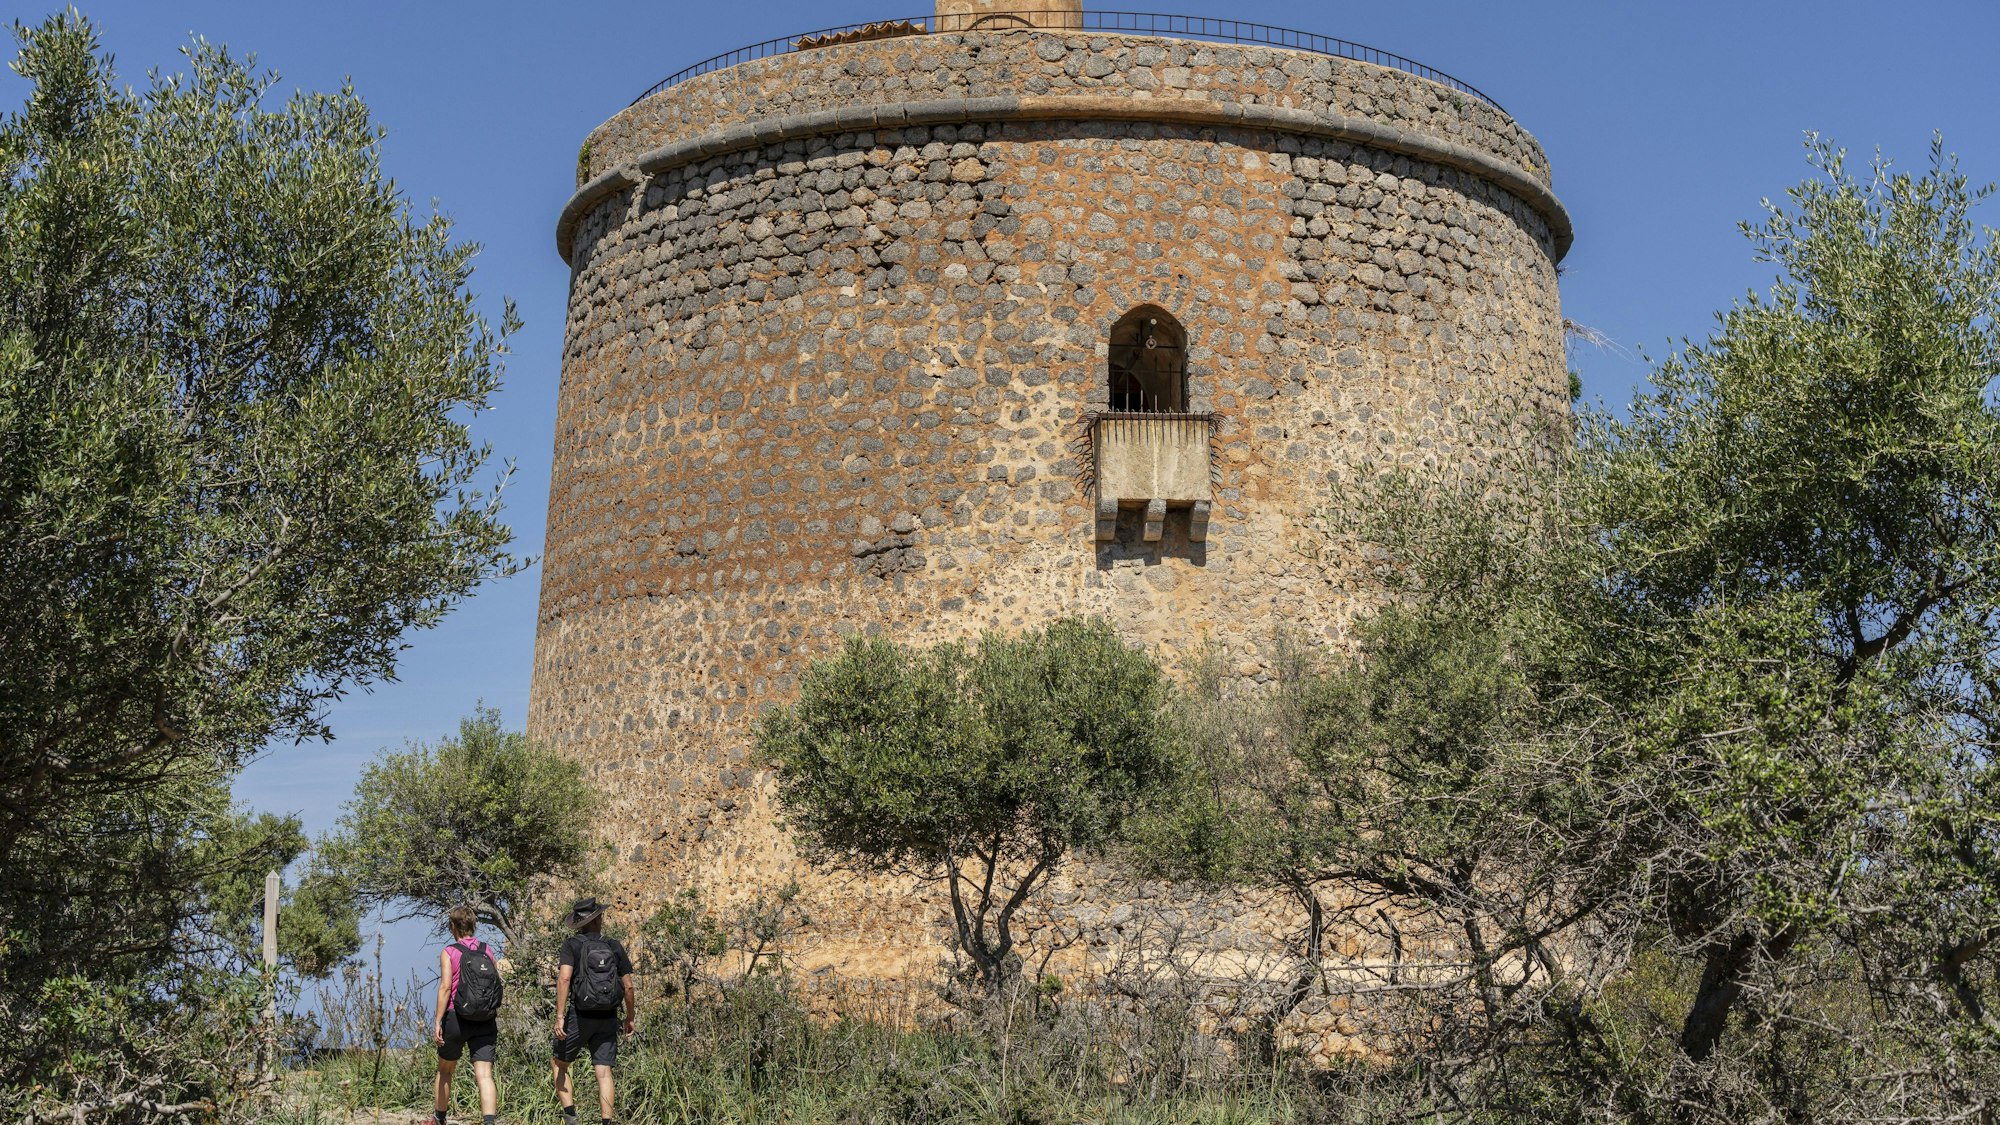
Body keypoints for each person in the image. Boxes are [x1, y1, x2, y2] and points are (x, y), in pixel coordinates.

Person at [551, 896, 635, 1125]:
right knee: (604, 1072)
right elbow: (628, 985)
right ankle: (606, 1122)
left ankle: (571, 1117)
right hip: (608, 1016)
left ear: (579, 923)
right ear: (598, 919)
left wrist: (559, 1017)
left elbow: (564, 978)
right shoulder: (613, 945)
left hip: (580, 1016)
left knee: (559, 1063)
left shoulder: (572, 945)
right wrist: (630, 1017)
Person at [431, 904, 508, 1125]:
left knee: (445, 1069)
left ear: (452, 926)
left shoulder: (450, 951)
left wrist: (438, 1021)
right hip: (485, 1019)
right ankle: (489, 1122)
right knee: (484, 1074)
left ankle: (439, 1119)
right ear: (473, 925)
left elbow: (446, 988)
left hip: (457, 1017)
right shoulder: (487, 950)